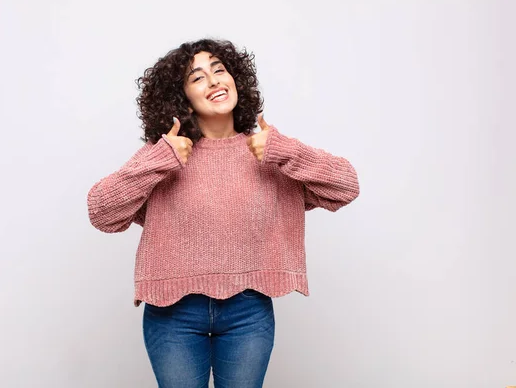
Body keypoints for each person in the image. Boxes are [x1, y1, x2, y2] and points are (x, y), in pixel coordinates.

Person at [87, 38, 360, 388]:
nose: (214, 81)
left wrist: (285, 150)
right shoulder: (168, 156)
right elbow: (101, 212)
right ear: (181, 97)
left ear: (236, 79)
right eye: (197, 77)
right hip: (174, 314)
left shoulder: (268, 151)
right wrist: (158, 158)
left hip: (247, 311)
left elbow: (346, 186)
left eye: (219, 70)